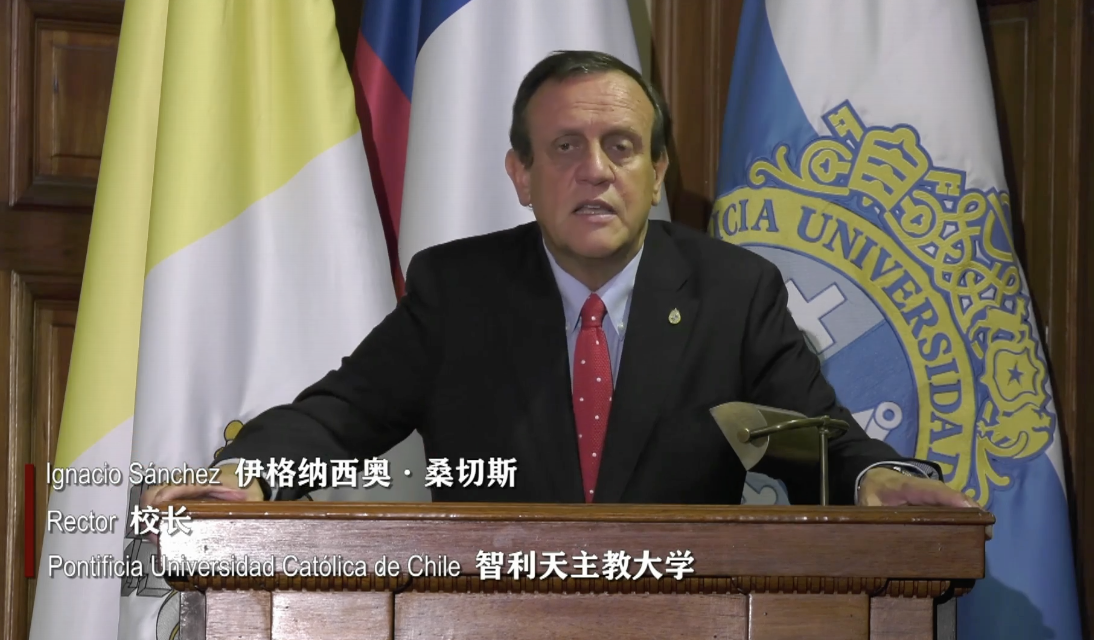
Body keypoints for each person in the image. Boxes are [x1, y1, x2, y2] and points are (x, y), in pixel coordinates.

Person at [143, 50, 976, 511]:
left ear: (657, 173)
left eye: (622, 147)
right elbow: (339, 417)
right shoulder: (459, 292)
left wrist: (872, 477)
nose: (595, 170)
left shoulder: (733, 294)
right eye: (565, 147)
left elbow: (807, 443)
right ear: (522, 175)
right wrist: (248, 471)